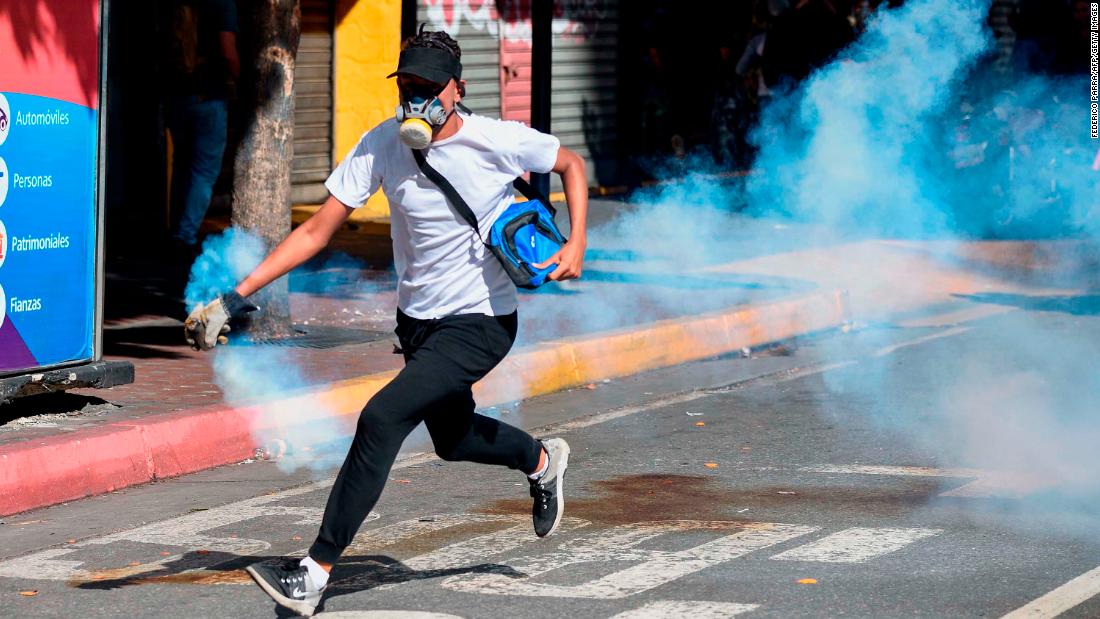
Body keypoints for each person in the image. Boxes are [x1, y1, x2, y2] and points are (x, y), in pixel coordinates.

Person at [183, 27, 588, 617]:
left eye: (428, 88)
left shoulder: (496, 140)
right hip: (418, 324)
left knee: (381, 417)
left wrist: (577, 241)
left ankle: (313, 572)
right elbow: (316, 230)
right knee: (452, 440)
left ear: (457, 89)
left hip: (481, 321)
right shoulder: (382, 144)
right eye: (407, 87)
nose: (415, 100)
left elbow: (572, 164)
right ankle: (542, 460)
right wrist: (234, 296)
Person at [163, 0, 240, 251]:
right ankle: (184, 236)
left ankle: (175, 229)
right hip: (209, 97)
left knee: (182, 165)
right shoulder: (222, 4)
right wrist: (245, 83)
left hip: (177, 95)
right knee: (204, 172)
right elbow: (228, 51)